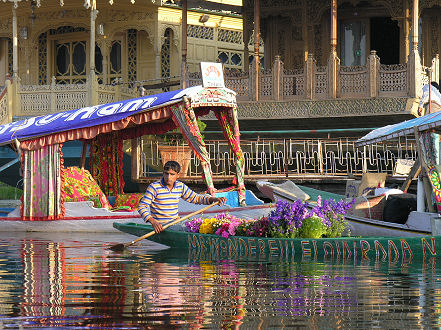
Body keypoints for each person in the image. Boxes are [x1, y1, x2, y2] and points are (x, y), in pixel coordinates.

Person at [137, 160, 227, 233]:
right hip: (161, 226)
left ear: (178, 175)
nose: (168, 177)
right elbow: (142, 207)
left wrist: (214, 199)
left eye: (172, 174)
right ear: (163, 173)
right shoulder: (154, 187)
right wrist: (154, 222)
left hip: (176, 223)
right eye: (166, 173)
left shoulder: (180, 186)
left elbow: (196, 198)